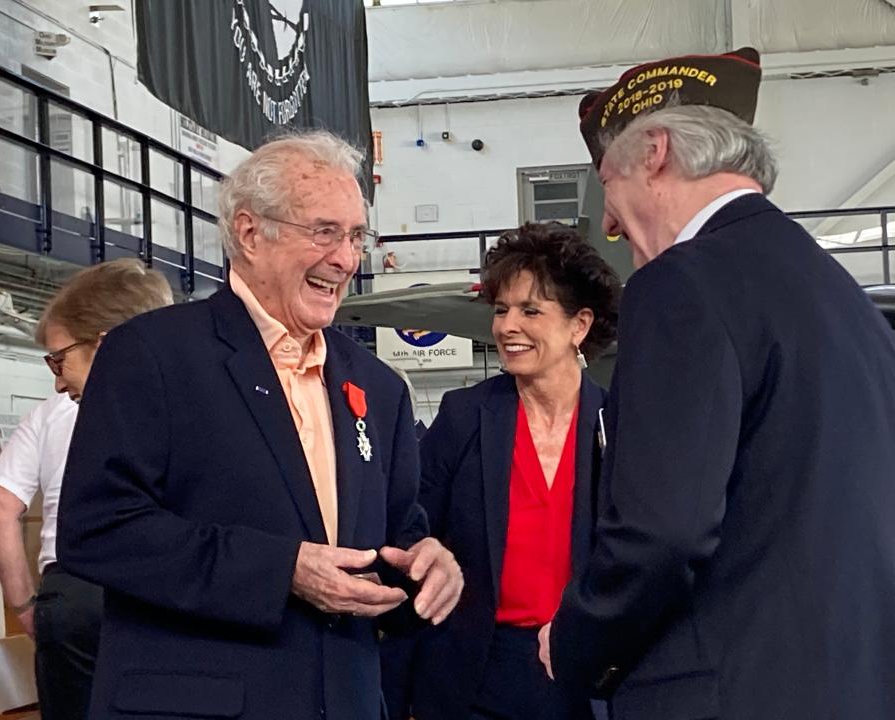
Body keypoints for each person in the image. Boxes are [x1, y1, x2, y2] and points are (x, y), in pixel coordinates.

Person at [55, 131, 464, 720]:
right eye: (324, 231)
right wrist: (282, 571)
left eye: (355, 237)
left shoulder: (379, 387)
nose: (346, 259)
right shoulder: (151, 354)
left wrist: (428, 564)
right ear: (249, 233)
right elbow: (97, 530)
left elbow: (397, 531)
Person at [540, 48, 895, 720]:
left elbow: (663, 530)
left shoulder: (681, 285)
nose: (609, 223)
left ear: (654, 153)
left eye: (607, 182)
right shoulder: (843, 299)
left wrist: (577, 640)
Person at [385, 222, 621, 720]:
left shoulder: (617, 425)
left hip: (583, 676)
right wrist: (421, 549)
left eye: (530, 311)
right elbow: (409, 523)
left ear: (579, 325)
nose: (507, 326)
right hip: (475, 676)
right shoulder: (463, 415)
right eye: (501, 310)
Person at [0, 258, 174, 720]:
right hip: (164, 595)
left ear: (105, 346)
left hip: (77, 599)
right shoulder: (196, 404)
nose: (58, 380)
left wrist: (27, 603)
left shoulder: (51, 415)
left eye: (59, 359)